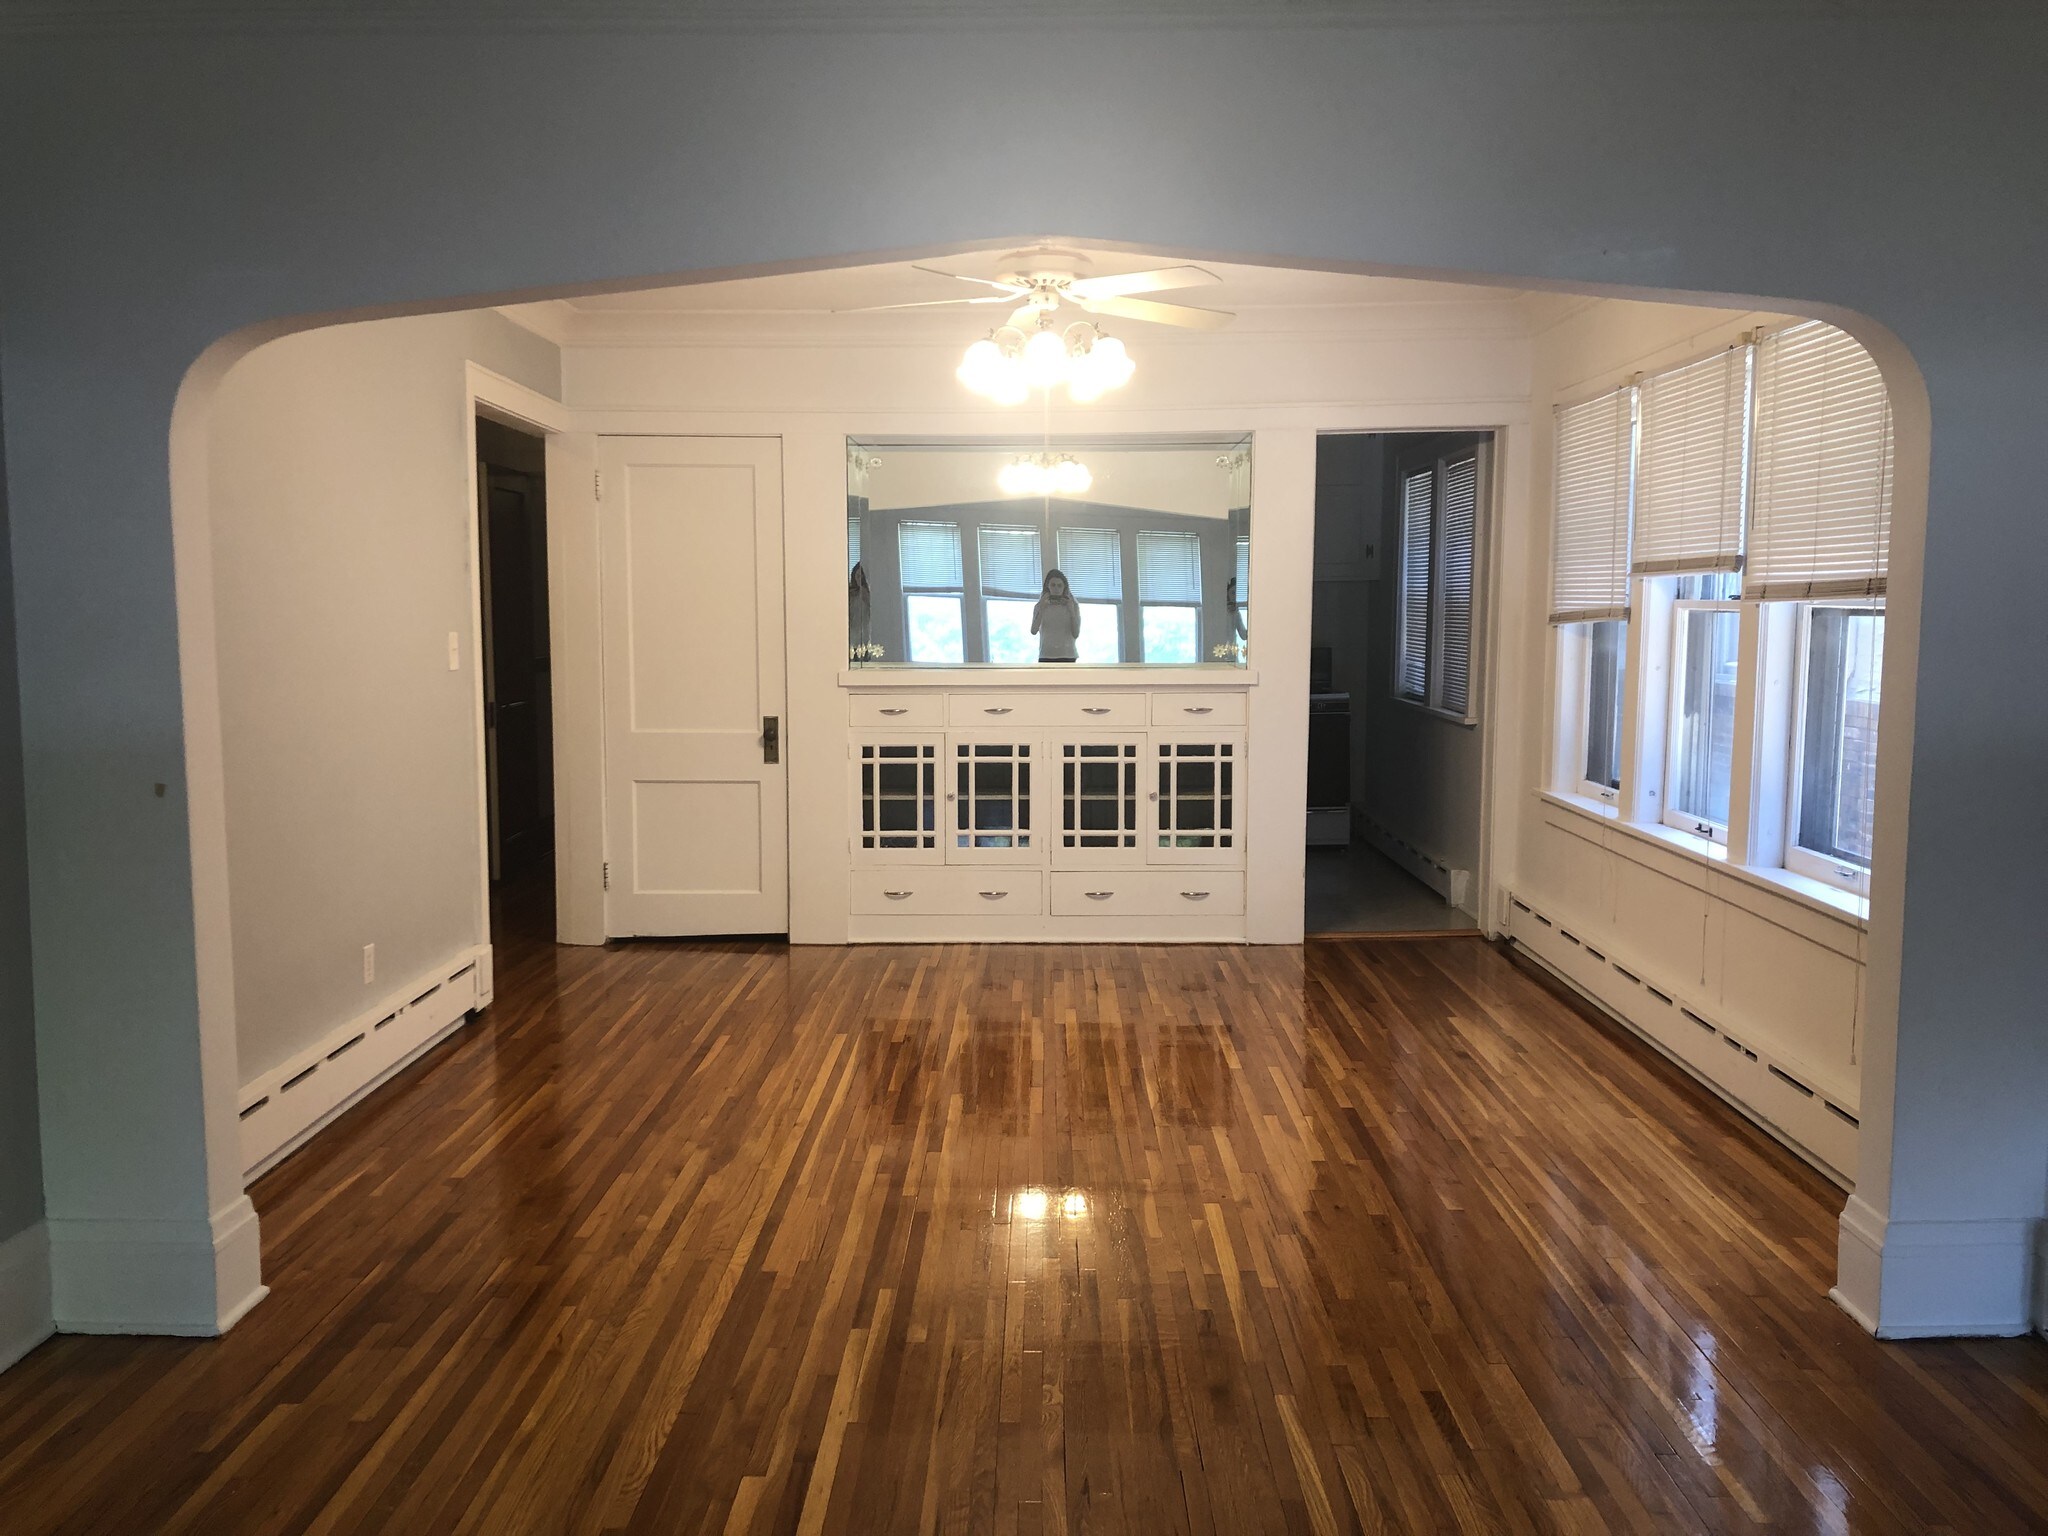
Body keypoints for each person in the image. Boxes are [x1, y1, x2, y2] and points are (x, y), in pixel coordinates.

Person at [1031, 568, 1081, 662]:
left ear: (1064, 587)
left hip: (1068, 655)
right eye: (1053, 585)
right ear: (1048, 586)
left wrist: (1071, 611)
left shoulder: (1073, 605)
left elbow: (1076, 633)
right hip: (1046, 655)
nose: (1056, 589)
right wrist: (1042, 608)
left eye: (1059, 585)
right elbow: (1033, 630)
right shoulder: (1040, 606)